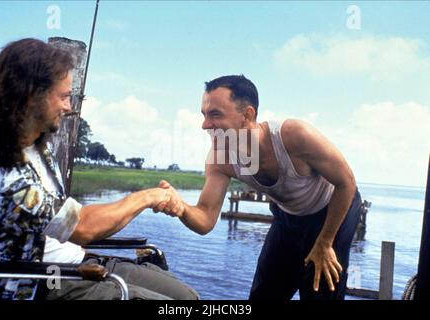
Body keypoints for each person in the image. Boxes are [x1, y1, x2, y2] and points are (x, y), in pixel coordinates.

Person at [0, 38, 198, 300]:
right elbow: (82, 226)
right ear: (30, 95)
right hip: (38, 282)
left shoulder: (39, 147)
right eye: (62, 96)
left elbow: (77, 225)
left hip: (79, 260)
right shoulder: (2, 174)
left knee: (186, 298)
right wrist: (149, 197)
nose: (68, 107)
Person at [154, 75, 362, 300]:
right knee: (264, 293)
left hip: (333, 209)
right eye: (204, 115)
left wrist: (325, 242)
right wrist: (181, 208)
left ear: (247, 115)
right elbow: (205, 219)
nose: (205, 125)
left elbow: (346, 183)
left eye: (215, 114)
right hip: (288, 215)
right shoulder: (220, 159)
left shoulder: (293, 135)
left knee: (319, 290)